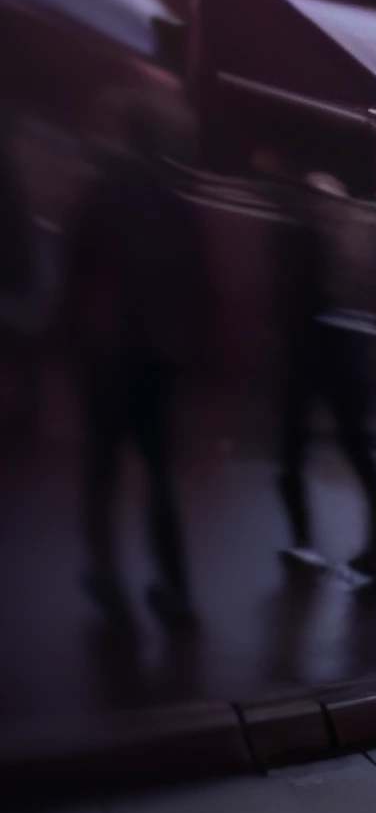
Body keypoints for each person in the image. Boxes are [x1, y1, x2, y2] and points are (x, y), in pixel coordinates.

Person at [73, 78, 199, 625]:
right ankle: (176, 591)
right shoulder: (174, 199)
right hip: (157, 351)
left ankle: (106, 575)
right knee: (159, 472)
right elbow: (198, 280)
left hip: (108, 348)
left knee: (102, 468)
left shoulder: (102, 189)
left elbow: (78, 267)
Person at [265, 162, 376, 583]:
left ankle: (310, 541)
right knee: (351, 449)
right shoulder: (353, 239)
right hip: (336, 353)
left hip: (315, 353)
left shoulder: (312, 237)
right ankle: (375, 540)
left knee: (300, 451)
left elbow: (288, 295)